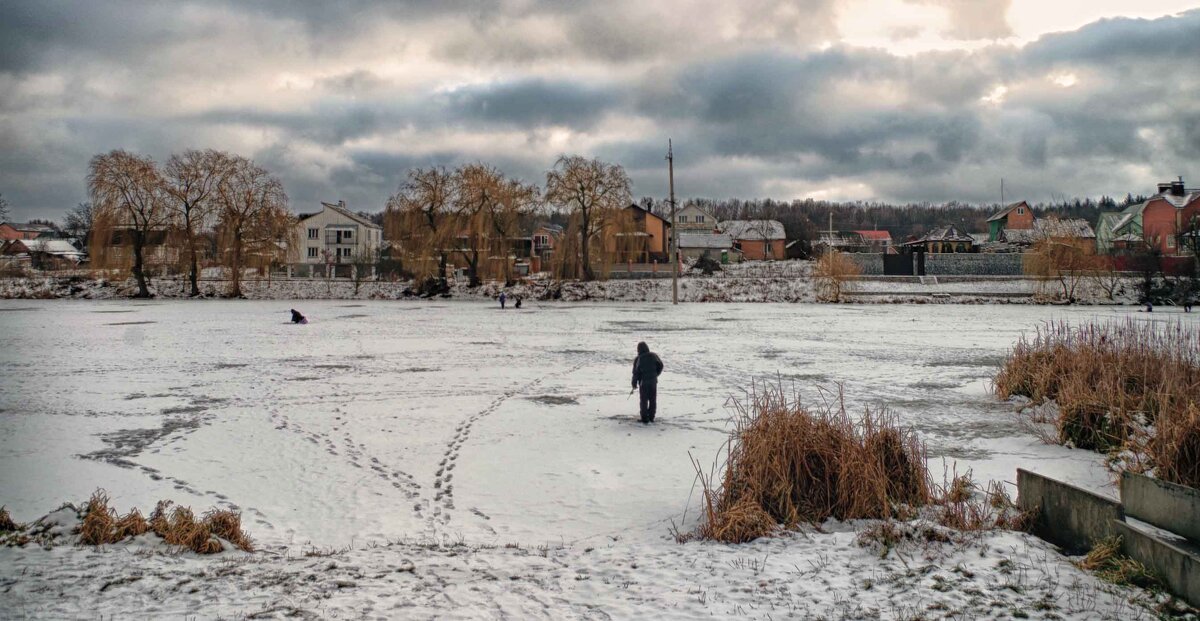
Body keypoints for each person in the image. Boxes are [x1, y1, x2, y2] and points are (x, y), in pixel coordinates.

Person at [631, 341, 664, 424]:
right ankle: (651, 417)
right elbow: (660, 365)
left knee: (644, 400)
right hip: (653, 381)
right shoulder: (654, 355)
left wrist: (634, 384)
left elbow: (635, 373)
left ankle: (645, 418)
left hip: (643, 383)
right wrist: (656, 374)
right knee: (653, 399)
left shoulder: (638, 359)